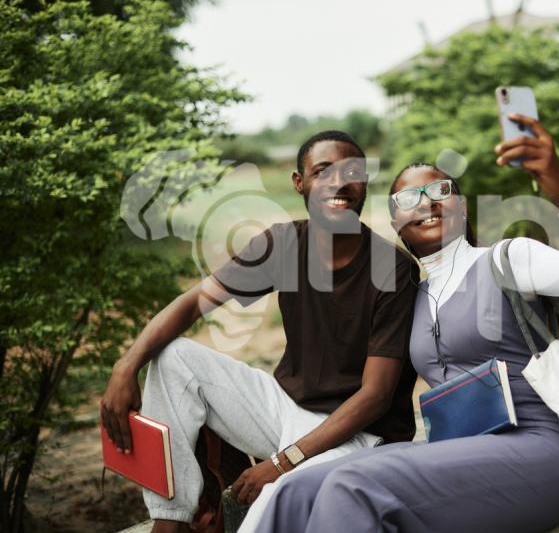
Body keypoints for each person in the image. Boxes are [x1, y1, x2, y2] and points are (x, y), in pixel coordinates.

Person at [251, 114, 559, 533]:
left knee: (351, 484)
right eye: (407, 199)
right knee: (296, 488)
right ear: (396, 224)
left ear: (460, 205)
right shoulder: (413, 297)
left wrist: (557, 185)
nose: (425, 203)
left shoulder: (507, 260)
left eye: (439, 190)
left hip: (534, 448)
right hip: (453, 450)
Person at [101, 131, 420, 533]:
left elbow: (374, 398)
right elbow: (191, 303)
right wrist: (125, 366)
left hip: (358, 438)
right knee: (174, 356)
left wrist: (280, 463)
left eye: (351, 171)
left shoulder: (392, 269)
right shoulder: (284, 244)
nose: (339, 182)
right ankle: (171, 519)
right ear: (299, 182)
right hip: (285, 409)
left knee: (270, 507)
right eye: (323, 171)